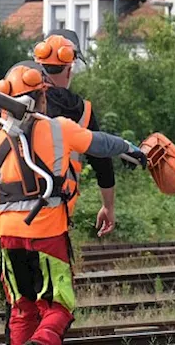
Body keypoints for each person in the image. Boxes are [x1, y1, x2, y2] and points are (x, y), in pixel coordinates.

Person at [0, 63, 148, 345]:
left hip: (8, 236)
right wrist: (130, 147)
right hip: (46, 232)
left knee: (23, 309)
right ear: (41, 98)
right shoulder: (60, 129)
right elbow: (101, 144)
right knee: (58, 306)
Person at [31, 29, 118, 237]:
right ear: (69, 71)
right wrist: (108, 207)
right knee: (55, 269)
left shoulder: (18, 102)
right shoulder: (81, 110)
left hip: (13, 206)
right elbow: (102, 161)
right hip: (58, 206)